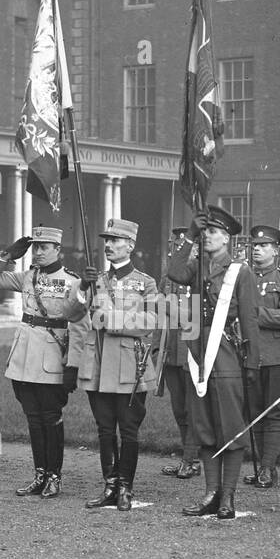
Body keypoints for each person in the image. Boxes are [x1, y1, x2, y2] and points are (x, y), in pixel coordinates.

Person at [166, 206, 260, 519]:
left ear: (228, 238)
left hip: (228, 354)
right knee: (203, 426)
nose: (208, 236)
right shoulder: (196, 267)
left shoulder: (239, 271)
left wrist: (253, 364)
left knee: (230, 427)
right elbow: (174, 272)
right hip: (198, 353)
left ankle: (228, 497)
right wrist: (190, 235)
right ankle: (210, 492)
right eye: (205, 231)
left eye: (213, 232)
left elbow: (249, 320)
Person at [0, 225, 85, 498]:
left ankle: (54, 477)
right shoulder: (27, 277)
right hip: (24, 358)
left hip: (52, 358)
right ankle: (39, 475)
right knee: (33, 419)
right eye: (35, 247)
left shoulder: (73, 282)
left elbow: (79, 326)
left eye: (44, 247)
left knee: (51, 418)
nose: (37, 252)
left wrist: (72, 365)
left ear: (57, 250)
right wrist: (8, 254)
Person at [77, 218, 159, 512]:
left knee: (128, 430)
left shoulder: (145, 282)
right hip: (98, 366)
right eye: (107, 240)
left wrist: (110, 321)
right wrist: (81, 287)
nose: (109, 245)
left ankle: (125, 487)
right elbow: (72, 313)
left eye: (115, 240)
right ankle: (109, 486)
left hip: (129, 363)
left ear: (131, 246)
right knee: (103, 429)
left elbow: (151, 321)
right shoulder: (95, 279)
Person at [244, 224, 280, 488]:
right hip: (249, 353)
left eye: (263, 246)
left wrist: (254, 316)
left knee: (272, 412)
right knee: (253, 411)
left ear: (275, 250)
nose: (258, 250)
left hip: (275, 354)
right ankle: (263, 465)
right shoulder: (245, 276)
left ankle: (267, 467)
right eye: (255, 246)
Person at [158, 227, 201, 481]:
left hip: (191, 347)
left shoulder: (198, 274)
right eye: (174, 245)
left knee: (192, 408)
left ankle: (191, 459)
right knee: (179, 409)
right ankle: (188, 456)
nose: (176, 249)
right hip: (171, 348)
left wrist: (171, 309)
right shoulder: (168, 277)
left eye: (183, 245)